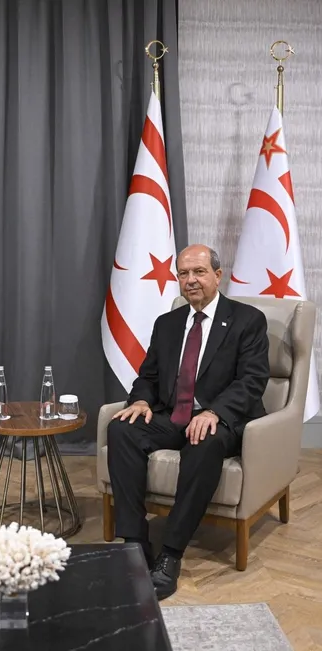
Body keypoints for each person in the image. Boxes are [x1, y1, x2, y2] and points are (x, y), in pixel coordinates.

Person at [107, 244, 269, 600]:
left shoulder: (247, 320)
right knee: (121, 428)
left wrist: (215, 412)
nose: (191, 280)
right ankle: (135, 542)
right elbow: (148, 376)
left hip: (220, 420)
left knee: (204, 440)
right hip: (173, 415)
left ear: (217, 275)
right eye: (183, 273)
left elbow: (253, 380)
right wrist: (141, 401)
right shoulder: (167, 323)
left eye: (199, 272)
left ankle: (170, 554)